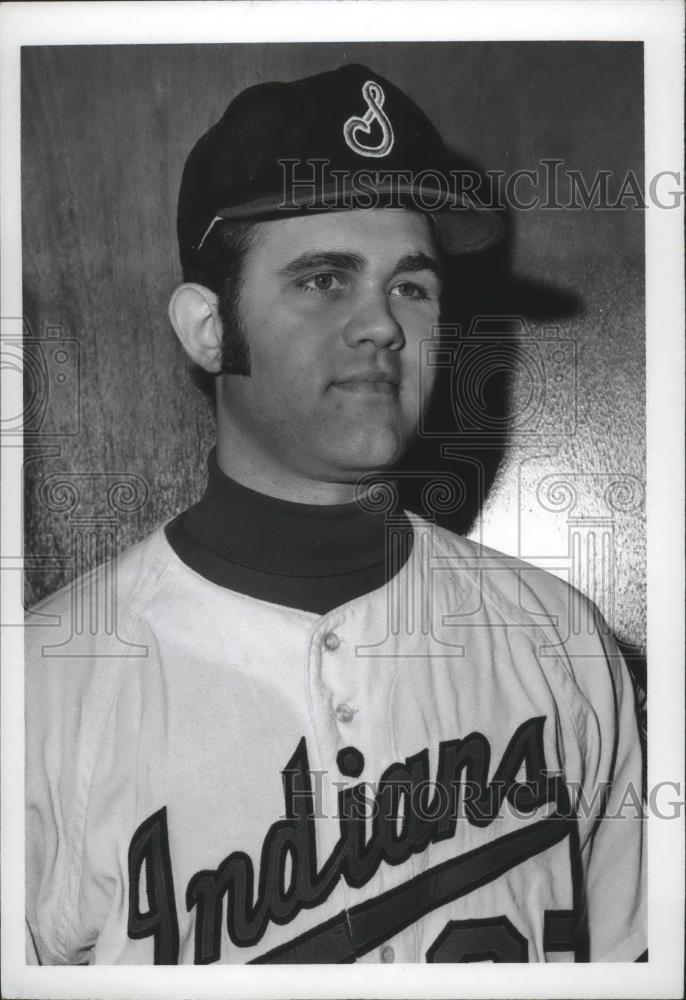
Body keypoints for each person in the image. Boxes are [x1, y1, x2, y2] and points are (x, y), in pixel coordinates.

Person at [25, 62, 646, 966]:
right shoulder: (44, 686)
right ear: (208, 327)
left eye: (412, 285)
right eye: (323, 280)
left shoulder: (559, 643)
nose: (384, 325)